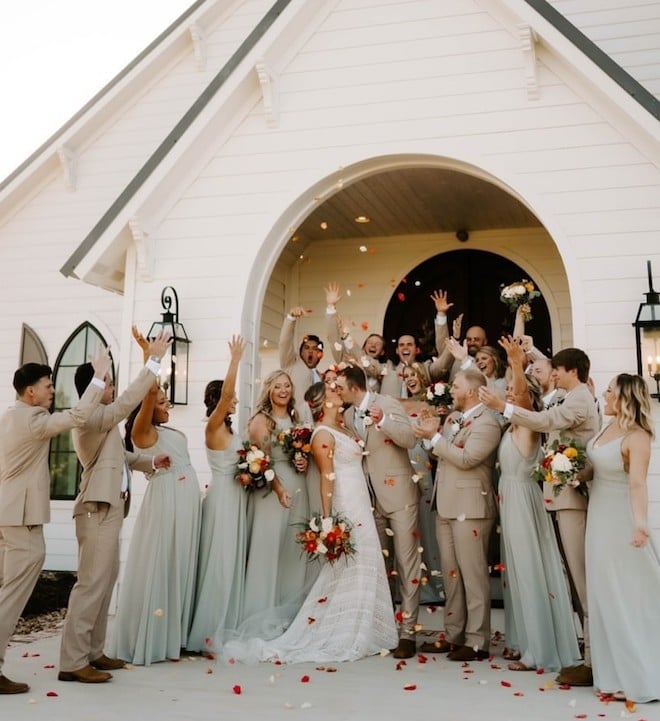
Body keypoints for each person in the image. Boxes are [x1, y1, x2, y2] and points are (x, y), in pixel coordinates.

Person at [224, 382, 398, 663]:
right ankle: (342, 630)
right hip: (346, 502)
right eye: (332, 392)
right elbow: (328, 478)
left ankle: (365, 628)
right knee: (351, 564)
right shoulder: (323, 435)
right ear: (321, 402)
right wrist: (329, 518)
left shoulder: (347, 428)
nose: (338, 393)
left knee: (366, 562)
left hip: (362, 499)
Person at [479, 347, 600, 686]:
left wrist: (515, 369)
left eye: (558, 370)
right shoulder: (559, 400)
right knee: (555, 575)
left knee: (574, 579)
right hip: (540, 498)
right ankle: (569, 652)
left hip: (559, 498)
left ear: (572, 371)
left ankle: (585, 659)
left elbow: (535, 411)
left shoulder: (564, 405)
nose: (553, 376)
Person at [58, 329, 172, 684]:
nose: (111, 388)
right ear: (91, 387)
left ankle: (93, 652)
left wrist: (149, 463)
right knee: (91, 584)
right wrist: (153, 361)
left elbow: (117, 456)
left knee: (105, 582)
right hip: (95, 510)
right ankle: (72, 662)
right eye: (107, 382)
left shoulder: (101, 420)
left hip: (110, 509)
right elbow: (126, 403)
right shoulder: (87, 418)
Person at [0, 347, 112, 694]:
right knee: (12, 596)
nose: (52, 390)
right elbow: (77, 416)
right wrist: (97, 376)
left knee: (9, 591)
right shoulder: (31, 420)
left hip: (11, 515)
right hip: (21, 518)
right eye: (48, 386)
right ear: (29, 391)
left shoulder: (9, 416)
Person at [493, 337, 581, 672]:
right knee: (517, 571)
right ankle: (524, 640)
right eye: (509, 393)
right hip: (511, 499)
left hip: (523, 500)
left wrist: (516, 363)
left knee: (530, 570)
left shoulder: (527, 422)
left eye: (516, 394)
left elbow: (523, 397)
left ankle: (539, 651)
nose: (510, 397)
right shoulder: (513, 426)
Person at [109, 362, 202, 666]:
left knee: (180, 562)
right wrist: (151, 360)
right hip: (166, 500)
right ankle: (153, 638)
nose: (167, 405)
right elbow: (148, 397)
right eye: (162, 402)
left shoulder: (165, 430)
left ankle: (175, 636)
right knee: (162, 561)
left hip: (186, 501)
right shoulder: (143, 432)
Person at [414, 367, 502, 661]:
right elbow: (440, 454)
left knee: (473, 576)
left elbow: (468, 459)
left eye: (456, 385)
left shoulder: (487, 422)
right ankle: (453, 635)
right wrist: (429, 438)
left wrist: (436, 439)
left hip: (472, 508)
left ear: (473, 391)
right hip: (446, 504)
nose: (451, 389)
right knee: (451, 576)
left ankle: (477, 641)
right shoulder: (452, 419)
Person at [584, 373, 659, 703]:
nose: (605, 393)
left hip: (621, 520)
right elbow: (597, 465)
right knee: (603, 594)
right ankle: (612, 676)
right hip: (598, 518)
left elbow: (637, 484)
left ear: (624, 398)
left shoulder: (638, 436)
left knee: (626, 595)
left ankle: (640, 675)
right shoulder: (606, 425)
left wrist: (640, 523)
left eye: (610, 390)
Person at [335, 365, 420, 659]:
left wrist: (383, 422)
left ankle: (408, 632)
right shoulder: (346, 416)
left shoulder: (387, 404)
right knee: (379, 566)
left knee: (408, 563)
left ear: (354, 387)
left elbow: (409, 439)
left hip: (399, 494)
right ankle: (383, 628)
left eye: (340, 386)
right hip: (367, 499)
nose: (337, 391)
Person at [186, 336, 247, 652]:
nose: (233, 401)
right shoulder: (212, 427)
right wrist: (235, 359)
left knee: (231, 559)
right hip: (222, 499)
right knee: (219, 562)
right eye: (229, 398)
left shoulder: (230, 431)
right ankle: (208, 630)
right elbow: (227, 396)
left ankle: (227, 621)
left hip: (236, 497)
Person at [240, 370, 311, 626]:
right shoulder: (262, 420)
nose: (283, 391)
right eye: (278, 386)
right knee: (269, 550)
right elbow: (261, 460)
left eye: (287, 386)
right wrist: (279, 489)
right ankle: (260, 615)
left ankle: (288, 613)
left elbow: (299, 450)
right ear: (269, 390)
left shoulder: (296, 417)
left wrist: (302, 460)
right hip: (272, 491)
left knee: (292, 551)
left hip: (298, 485)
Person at [400, 364, 444, 603]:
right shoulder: (398, 404)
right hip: (401, 465)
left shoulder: (430, 406)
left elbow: (434, 444)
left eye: (414, 375)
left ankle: (432, 583)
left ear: (423, 378)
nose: (410, 380)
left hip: (421, 464)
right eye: (406, 376)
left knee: (425, 524)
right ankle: (408, 582)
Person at [379, 290, 454, 398]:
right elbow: (363, 359)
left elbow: (444, 362)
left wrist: (441, 315)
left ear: (416, 350)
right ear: (396, 350)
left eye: (409, 344)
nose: (405, 347)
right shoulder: (388, 369)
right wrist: (346, 337)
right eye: (401, 345)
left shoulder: (427, 369)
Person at [325, 282, 387, 392]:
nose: (373, 345)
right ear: (363, 346)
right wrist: (331, 308)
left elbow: (366, 362)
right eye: (370, 342)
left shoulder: (381, 368)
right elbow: (333, 339)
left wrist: (347, 336)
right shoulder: (347, 359)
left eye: (377, 344)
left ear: (382, 352)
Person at [279, 306, 324, 422]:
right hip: (295, 424)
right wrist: (291, 318)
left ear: (320, 353)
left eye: (314, 349)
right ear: (300, 351)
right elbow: (285, 342)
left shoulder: (321, 377)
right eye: (306, 348)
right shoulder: (291, 363)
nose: (310, 351)